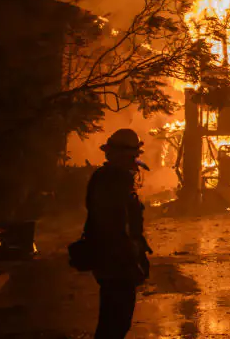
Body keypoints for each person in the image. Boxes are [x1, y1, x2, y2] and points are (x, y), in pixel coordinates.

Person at [84, 129, 153, 339]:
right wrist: (131, 260)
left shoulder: (107, 178)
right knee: (115, 322)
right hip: (115, 261)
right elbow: (114, 227)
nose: (135, 161)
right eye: (132, 156)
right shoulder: (113, 181)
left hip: (113, 260)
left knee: (115, 320)